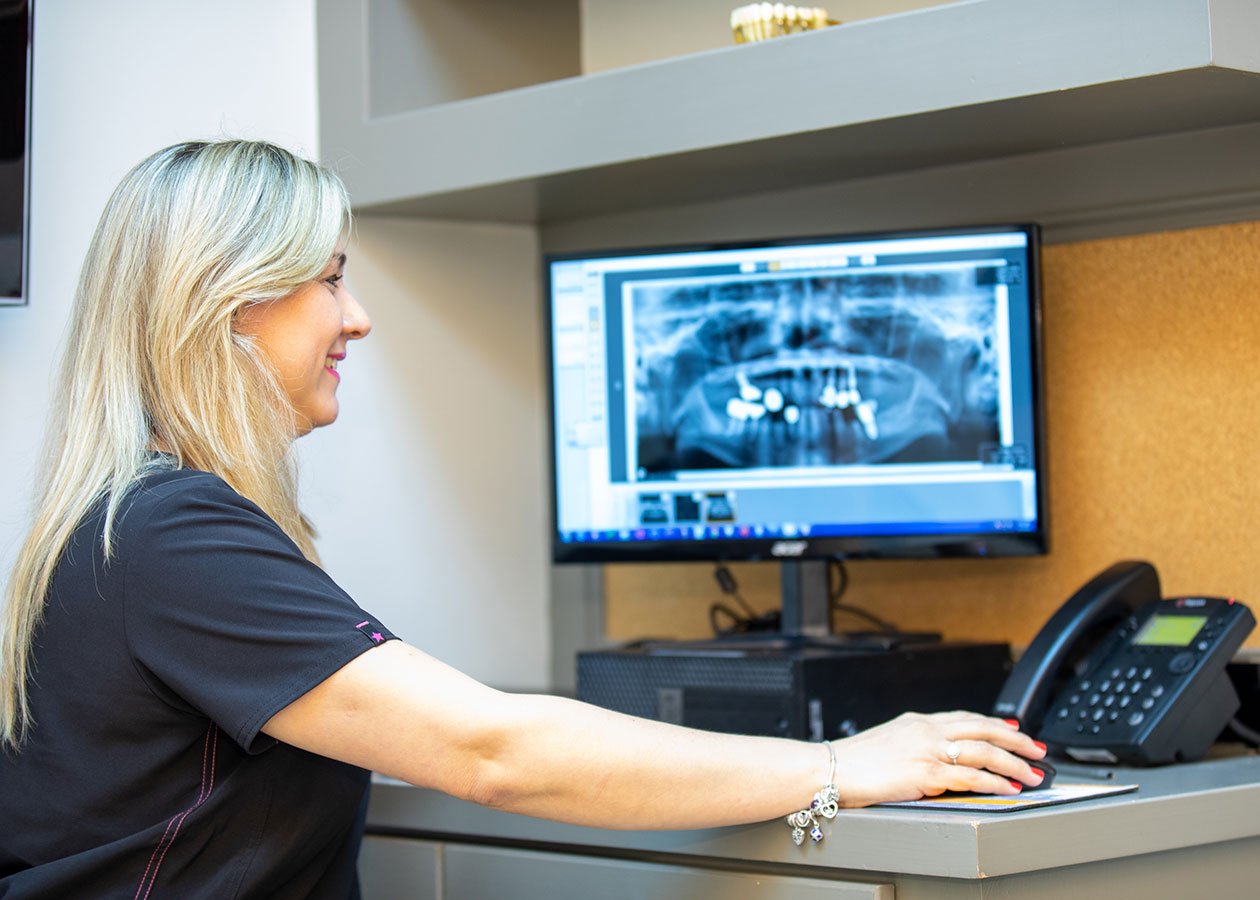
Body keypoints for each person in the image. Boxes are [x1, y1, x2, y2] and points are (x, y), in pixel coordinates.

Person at [0, 140, 1047, 899]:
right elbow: (489, 751)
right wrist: (839, 766)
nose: (356, 317)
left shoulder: (132, 522)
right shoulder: (170, 533)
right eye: (329, 281)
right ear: (227, 304)